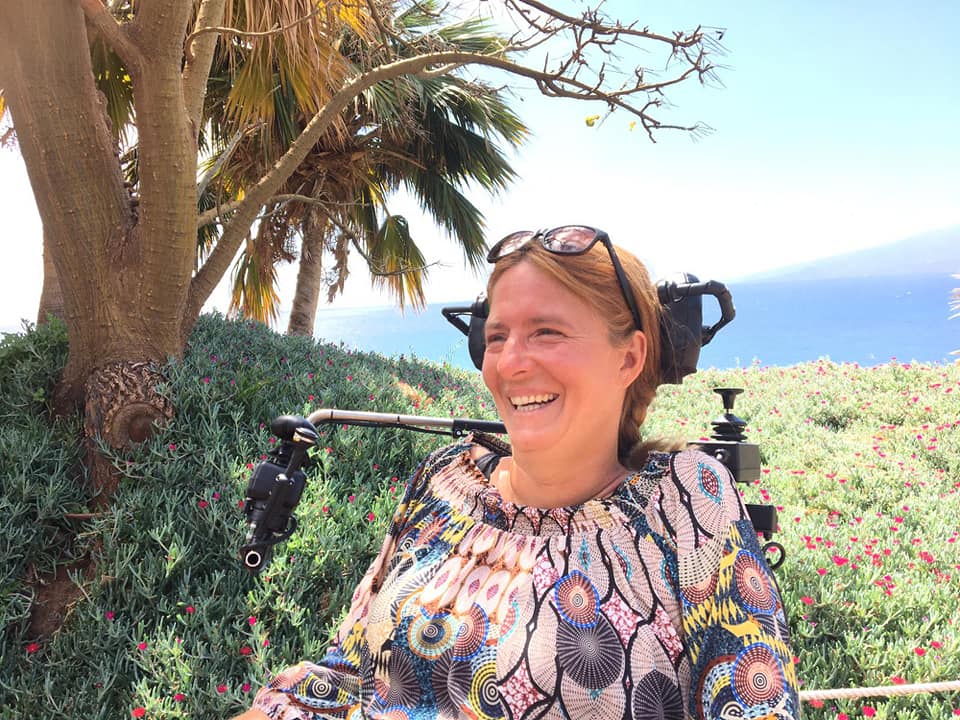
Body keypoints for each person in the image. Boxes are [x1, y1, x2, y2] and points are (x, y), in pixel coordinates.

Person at [233, 225, 800, 720]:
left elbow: (755, 698)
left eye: (546, 332)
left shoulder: (684, 498)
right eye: (498, 336)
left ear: (629, 358)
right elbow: (348, 672)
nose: (510, 363)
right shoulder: (444, 481)